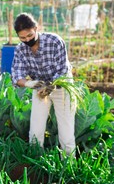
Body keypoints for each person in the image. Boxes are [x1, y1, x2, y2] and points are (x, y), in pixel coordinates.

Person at [11, 13, 76, 157]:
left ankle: (69, 162)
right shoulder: (20, 49)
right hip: (38, 87)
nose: (27, 40)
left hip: (61, 87)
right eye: (23, 38)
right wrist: (29, 83)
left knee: (66, 129)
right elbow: (16, 75)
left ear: (36, 28)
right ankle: (35, 159)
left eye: (30, 35)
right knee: (36, 128)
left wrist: (50, 87)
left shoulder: (54, 41)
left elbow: (62, 70)